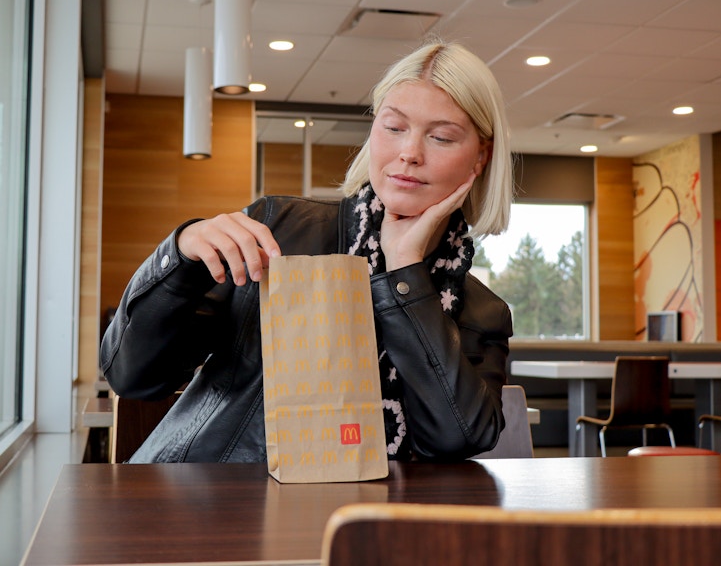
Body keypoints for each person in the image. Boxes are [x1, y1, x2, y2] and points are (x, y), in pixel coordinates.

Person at [100, 39, 515, 463]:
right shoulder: (280, 231)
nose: (409, 153)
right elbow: (134, 376)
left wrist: (404, 272)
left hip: (361, 522)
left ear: (480, 157)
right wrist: (181, 256)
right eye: (393, 128)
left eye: (442, 137)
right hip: (217, 505)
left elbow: (456, 440)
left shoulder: (483, 314)